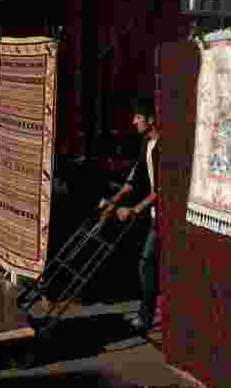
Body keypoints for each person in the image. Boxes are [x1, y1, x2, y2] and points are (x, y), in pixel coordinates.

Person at [97, 97, 160, 333]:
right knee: (147, 263)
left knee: (146, 262)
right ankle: (146, 314)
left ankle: (145, 318)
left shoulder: (163, 146)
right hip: (153, 213)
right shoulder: (145, 143)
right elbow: (136, 178)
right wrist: (114, 201)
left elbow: (162, 190)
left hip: (164, 217)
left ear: (151, 119)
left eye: (138, 117)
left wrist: (133, 209)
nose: (134, 121)